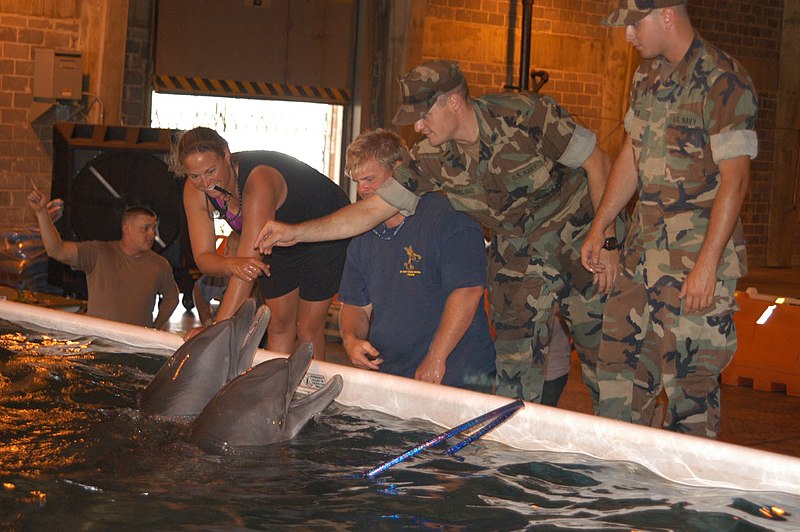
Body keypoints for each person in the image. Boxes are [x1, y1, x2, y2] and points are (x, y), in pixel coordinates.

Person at [257, 61, 623, 407]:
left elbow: (600, 163)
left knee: (609, 365)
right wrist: (297, 233)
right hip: (518, 254)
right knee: (515, 372)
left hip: (580, 240)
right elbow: (371, 211)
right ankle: (511, 464)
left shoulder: (525, 113)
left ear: (453, 101)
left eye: (423, 116)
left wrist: (606, 239)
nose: (417, 127)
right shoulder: (430, 158)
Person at [581, 0, 758, 438]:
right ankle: (617, 491)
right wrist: (600, 225)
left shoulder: (723, 79)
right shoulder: (646, 77)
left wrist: (707, 266)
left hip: (692, 266)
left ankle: (687, 503)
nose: (627, 35)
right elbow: (632, 154)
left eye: (633, 24)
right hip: (642, 260)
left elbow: (735, 180)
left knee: (689, 394)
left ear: (666, 15)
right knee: (617, 380)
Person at [338, 129, 496, 392]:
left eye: (369, 179)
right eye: (357, 181)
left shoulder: (449, 218)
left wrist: (436, 357)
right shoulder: (364, 233)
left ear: (398, 170)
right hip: (392, 372)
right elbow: (356, 304)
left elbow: (468, 291)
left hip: (459, 373)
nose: (363, 189)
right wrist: (352, 340)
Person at [171, 127, 350, 358]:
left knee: (306, 327)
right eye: (194, 175)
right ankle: (275, 392)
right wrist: (231, 264)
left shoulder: (258, 181)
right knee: (277, 325)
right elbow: (204, 258)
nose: (205, 182)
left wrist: (215, 332)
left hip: (324, 233)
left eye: (211, 171)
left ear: (226, 154)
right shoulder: (196, 190)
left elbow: (250, 263)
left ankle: (313, 390)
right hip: (277, 239)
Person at [27, 182, 179, 329]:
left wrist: (155, 327)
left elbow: (172, 297)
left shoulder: (160, 265)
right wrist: (41, 213)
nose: (152, 234)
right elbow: (56, 250)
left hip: (136, 345)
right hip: (98, 342)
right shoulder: (98, 253)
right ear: (126, 229)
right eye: (145, 229)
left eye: (154, 228)